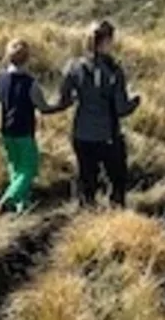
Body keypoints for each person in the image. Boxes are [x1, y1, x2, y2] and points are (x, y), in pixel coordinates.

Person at [55, 19, 141, 208]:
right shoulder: (114, 70)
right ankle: (115, 218)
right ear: (106, 41)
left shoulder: (73, 66)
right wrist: (135, 101)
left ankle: (86, 216)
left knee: (87, 179)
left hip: (81, 133)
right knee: (117, 179)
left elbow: (63, 100)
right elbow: (121, 109)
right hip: (107, 135)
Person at [0, 38, 63, 215]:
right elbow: (44, 108)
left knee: (15, 168)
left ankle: (21, 206)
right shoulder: (30, 83)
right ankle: (10, 198)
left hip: (7, 131)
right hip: (24, 132)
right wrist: (64, 104)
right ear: (28, 58)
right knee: (29, 168)